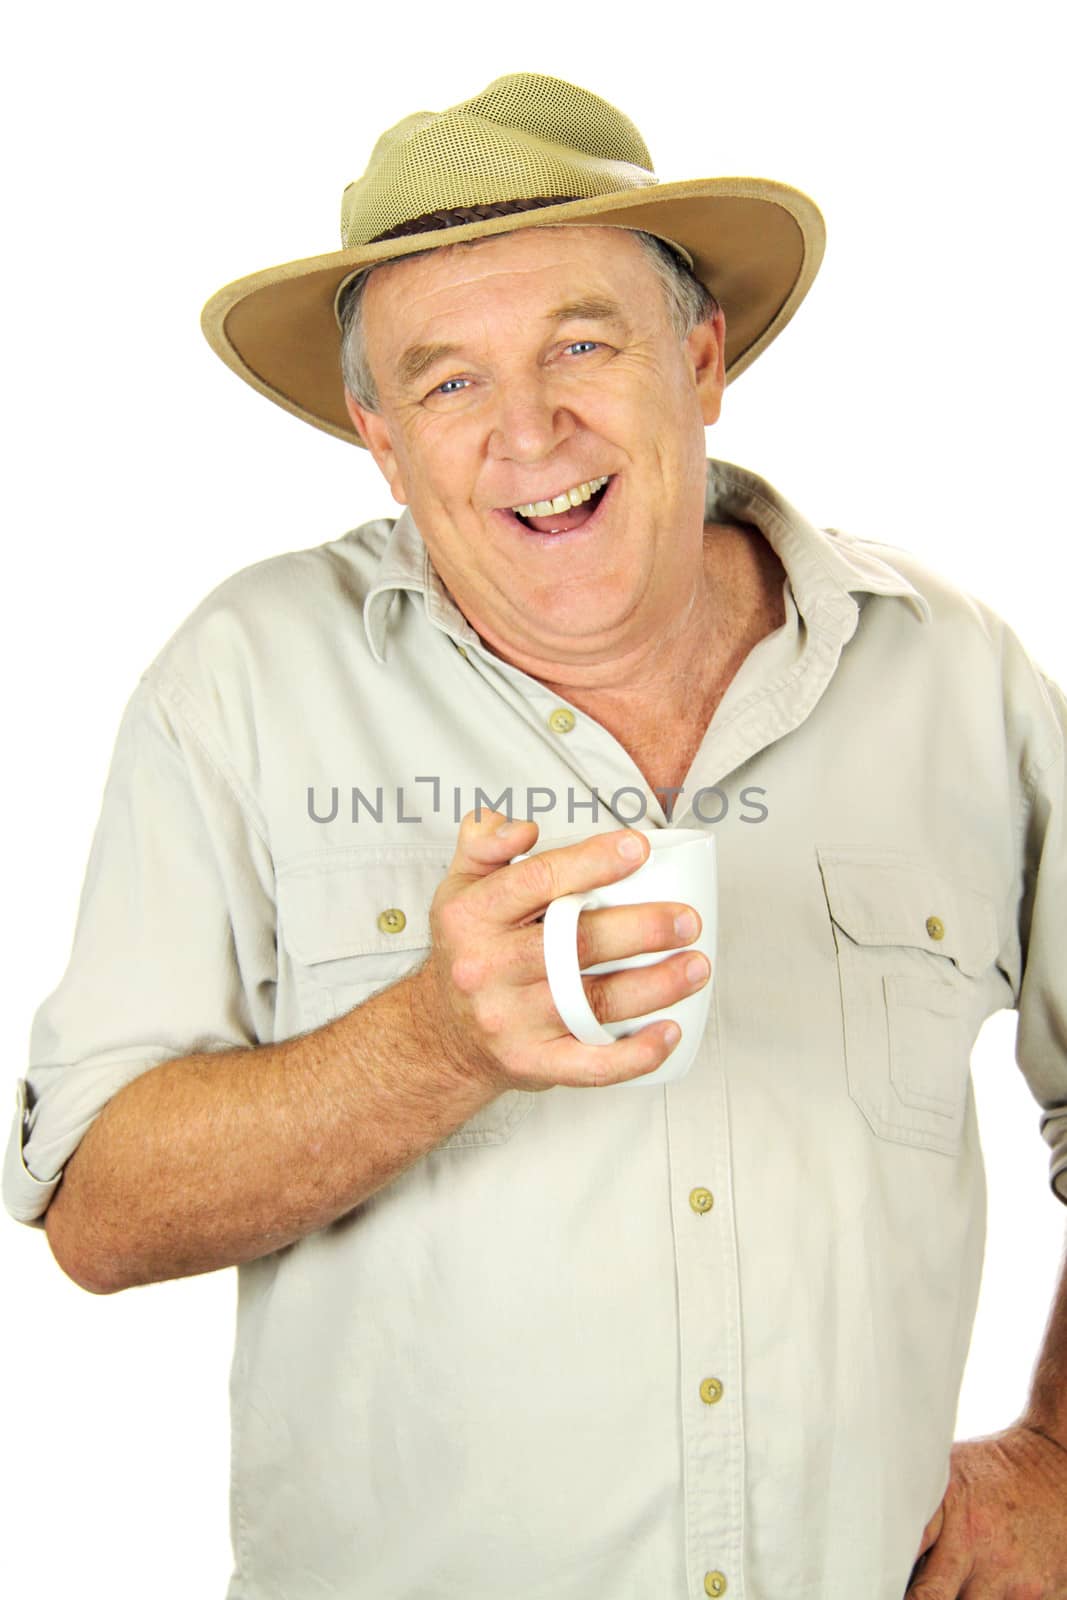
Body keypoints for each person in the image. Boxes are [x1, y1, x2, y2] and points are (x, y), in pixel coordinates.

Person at [4, 69, 1066, 1600]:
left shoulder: (956, 673)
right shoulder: (241, 682)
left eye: (584, 345)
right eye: (449, 382)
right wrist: (436, 1040)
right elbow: (95, 1211)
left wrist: (1060, 1456)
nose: (530, 430)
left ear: (702, 362)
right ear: (379, 438)